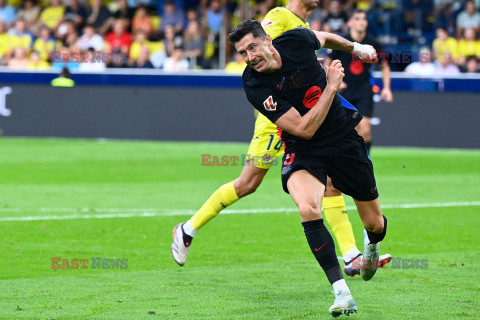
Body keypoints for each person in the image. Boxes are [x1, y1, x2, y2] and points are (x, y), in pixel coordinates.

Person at [171, 0, 391, 277]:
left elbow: (309, 50)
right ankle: (188, 228)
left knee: (331, 182)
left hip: (308, 114)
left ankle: (350, 254)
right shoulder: (279, 16)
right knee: (247, 183)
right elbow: (260, 56)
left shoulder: (303, 25)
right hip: (277, 123)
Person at [228, 19, 388, 317]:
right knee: (308, 209)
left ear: (268, 41)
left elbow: (324, 38)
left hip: (343, 140)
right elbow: (303, 129)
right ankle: (342, 292)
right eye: (242, 53)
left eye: (252, 47)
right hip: (304, 148)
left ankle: (371, 248)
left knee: (375, 224)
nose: (249, 57)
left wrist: (358, 48)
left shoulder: (296, 40)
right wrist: (331, 87)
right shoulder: (254, 84)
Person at [326, 10, 393, 155]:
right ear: (350, 23)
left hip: (364, 90)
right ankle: (354, 163)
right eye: (357, 18)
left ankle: (365, 162)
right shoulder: (341, 42)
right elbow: (328, 63)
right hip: (344, 92)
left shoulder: (373, 43)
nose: (361, 21)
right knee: (352, 131)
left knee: (365, 128)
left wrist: (387, 88)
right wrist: (336, 80)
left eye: (364, 19)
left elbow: (384, 66)